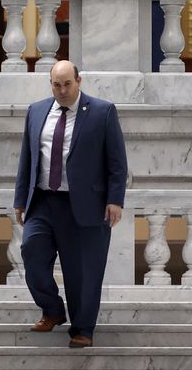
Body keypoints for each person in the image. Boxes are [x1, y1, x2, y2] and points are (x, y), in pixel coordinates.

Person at [13, 60, 128, 348]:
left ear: (79, 81)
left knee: (84, 271)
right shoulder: (37, 111)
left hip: (86, 204)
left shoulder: (102, 112)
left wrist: (115, 199)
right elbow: (27, 159)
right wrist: (20, 199)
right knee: (31, 251)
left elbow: (117, 161)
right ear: (50, 84)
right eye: (56, 84)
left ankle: (83, 327)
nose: (62, 90)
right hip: (43, 201)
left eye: (67, 84)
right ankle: (52, 310)